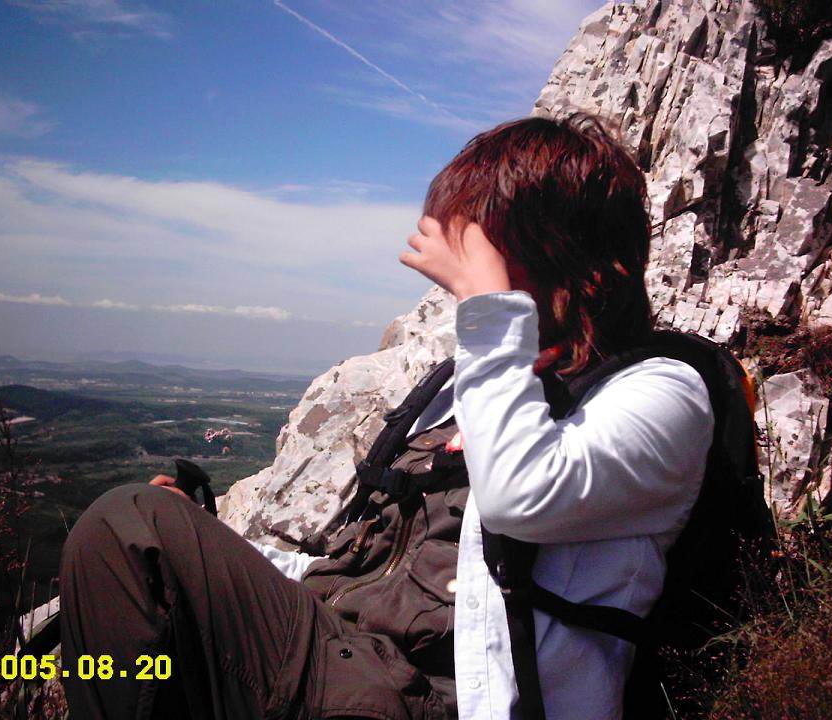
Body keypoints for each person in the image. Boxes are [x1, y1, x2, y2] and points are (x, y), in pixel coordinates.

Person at [58, 113, 713, 719]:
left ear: (566, 258)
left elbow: (520, 495)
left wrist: (489, 307)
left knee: (128, 521)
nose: (457, 282)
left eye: (479, 254)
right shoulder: (462, 392)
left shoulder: (663, 394)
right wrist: (214, 549)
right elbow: (357, 567)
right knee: (135, 545)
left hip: (430, 702)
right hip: (343, 656)